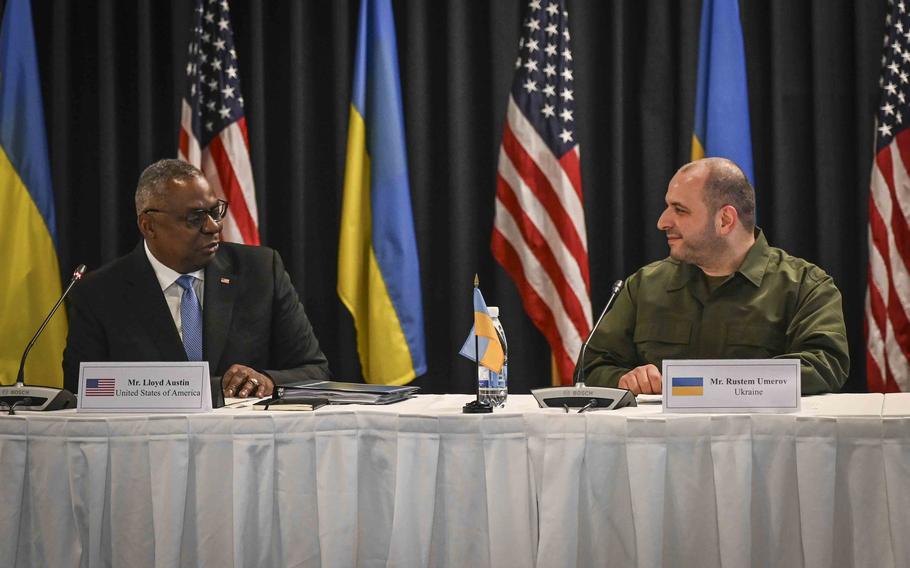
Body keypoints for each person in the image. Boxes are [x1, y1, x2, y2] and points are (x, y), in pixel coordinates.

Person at [63, 159, 330, 398]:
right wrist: (211, 389)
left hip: (244, 445)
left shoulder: (260, 270)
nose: (213, 227)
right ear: (148, 226)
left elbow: (315, 370)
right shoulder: (99, 292)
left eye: (215, 212)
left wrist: (266, 381)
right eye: (194, 218)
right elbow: (83, 389)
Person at [580, 157, 849, 395]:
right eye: (667, 207)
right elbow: (591, 367)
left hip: (762, 447)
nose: (662, 222)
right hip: (662, 448)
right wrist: (625, 380)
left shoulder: (805, 286)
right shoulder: (645, 285)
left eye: (680, 210)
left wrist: (716, 385)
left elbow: (825, 364)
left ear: (724, 220)